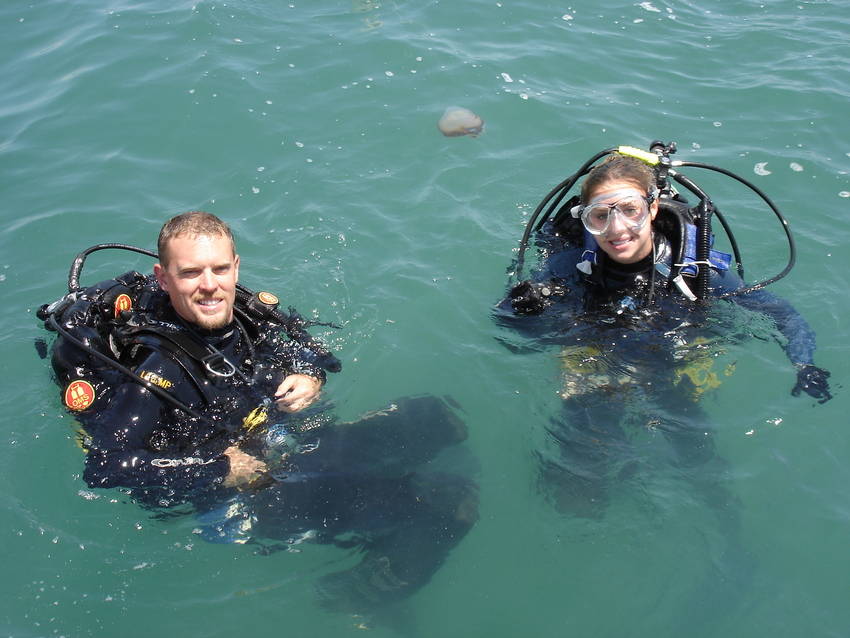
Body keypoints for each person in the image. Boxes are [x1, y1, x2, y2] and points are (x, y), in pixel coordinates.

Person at [39, 211, 478, 619]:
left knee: (434, 416)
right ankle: (353, 597)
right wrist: (218, 470)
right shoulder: (155, 375)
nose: (209, 285)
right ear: (163, 278)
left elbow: (312, 351)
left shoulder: (243, 313)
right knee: (443, 509)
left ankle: (385, 490)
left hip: (273, 446)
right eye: (190, 273)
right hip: (238, 493)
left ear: (236, 266)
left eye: (219, 269)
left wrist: (309, 376)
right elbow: (103, 466)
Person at [496, 148, 832, 518]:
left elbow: (783, 314)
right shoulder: (567, 267)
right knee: (579, 482)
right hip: (596, 366)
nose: (617, 229)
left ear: (652, 209)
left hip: (669, 364)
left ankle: (725, 529)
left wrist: (804, 362)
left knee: (700, 463)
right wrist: (521, 310)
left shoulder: (698, 272)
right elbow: (514, 335)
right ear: (586, 220)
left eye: (630, 210)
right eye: (600, 216)